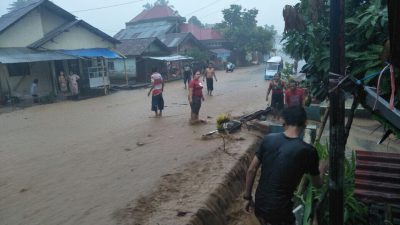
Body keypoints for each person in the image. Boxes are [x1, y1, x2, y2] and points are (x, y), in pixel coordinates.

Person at [243, 106, 328, 225]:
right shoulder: (308, 151)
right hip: (281, 211)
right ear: (304, 123)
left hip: (260, 205)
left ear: (284, 121)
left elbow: (252, 170)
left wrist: (247, 197)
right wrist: (322, 170)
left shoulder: (268, 139)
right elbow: (317, 184)